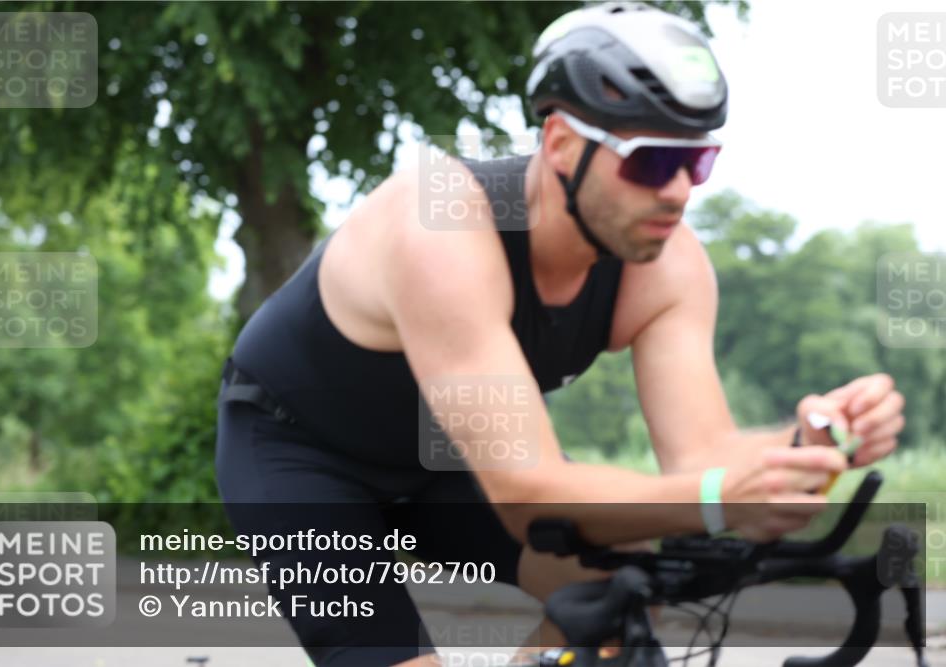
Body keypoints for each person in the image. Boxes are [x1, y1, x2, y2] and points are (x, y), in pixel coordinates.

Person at [215, 3, 906, 666]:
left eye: (697, 163)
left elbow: (703, 454)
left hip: (445, 462)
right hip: (303, 455)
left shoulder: (668, 265)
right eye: (651, 162)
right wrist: (720, 493)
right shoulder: (444, 225)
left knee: (616, 587)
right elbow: (529, 494)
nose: (676, 193)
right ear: (562, 143)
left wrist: (802, 446)